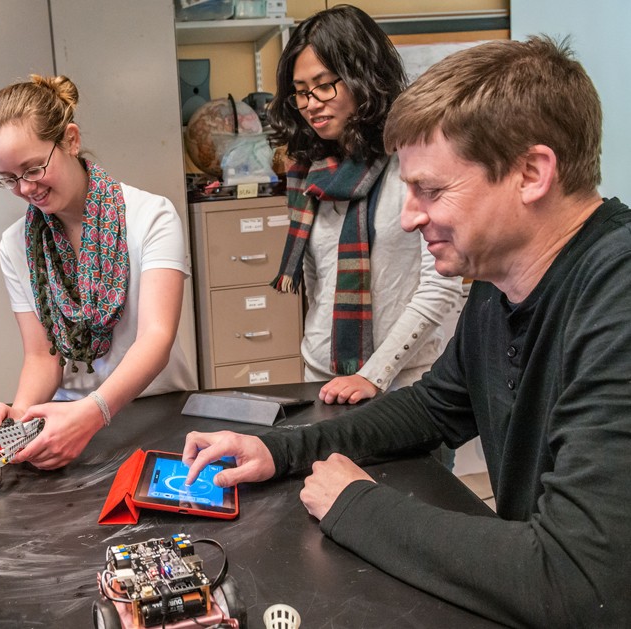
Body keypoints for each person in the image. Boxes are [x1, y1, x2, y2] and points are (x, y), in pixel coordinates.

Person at [182, 36, 631, 627]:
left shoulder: (617, 296)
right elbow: (433, 407)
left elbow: (577, 582)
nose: (409, 215)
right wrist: (276, 449)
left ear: (530, 173)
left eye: (431, 190)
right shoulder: (500, 285)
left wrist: (355, 503)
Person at [0, 75, 195, 469]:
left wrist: (94, 413)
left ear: (71, 140)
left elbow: (156, 338)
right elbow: (43, 357)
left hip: (155, 413)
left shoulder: (150, 217)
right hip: (66, 423)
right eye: (9, 179)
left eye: (33, 168)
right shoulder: (15, 245)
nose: (25, 189)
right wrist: (19, 418)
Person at [267, 5, 462, 406]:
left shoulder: (413, 160)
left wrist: (372, 375)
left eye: (324, 85)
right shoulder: (310, 171)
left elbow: (441, 288)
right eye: (301, 92)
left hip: (405, 383)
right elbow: (318, 284)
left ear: (363, 76)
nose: (311, 104)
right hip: (321, 376)